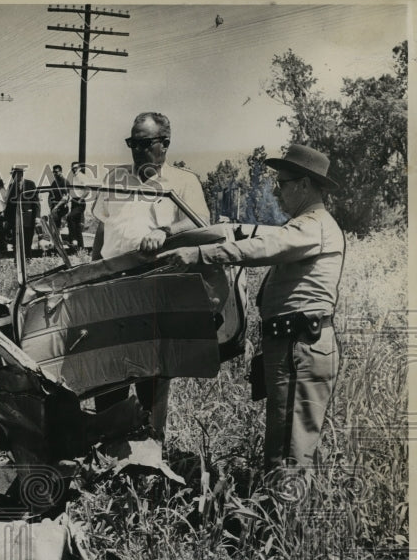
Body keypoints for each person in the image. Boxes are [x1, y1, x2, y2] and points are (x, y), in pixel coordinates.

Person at [160, 143, 344, 471]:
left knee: (289, 452)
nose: (277, 192)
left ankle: (283, 518)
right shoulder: (309, 224)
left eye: (282, 184)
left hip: (297, 347)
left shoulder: (312, 224)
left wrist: (198, 255)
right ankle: (285, 514)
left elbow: (265, 246)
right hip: (295, 345)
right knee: (288, 441)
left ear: (303, 184)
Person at [90, 112, 211, 437]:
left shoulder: (183, 182)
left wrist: (164, 230)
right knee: (106, 369)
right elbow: (102, 233)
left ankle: (150, 449)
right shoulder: (113, 181)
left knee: (151, 372)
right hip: (111, 289)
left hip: (154, 291)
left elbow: (200, 222)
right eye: (133, 143)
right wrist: (90, 275)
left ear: (165, 144)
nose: (137, 151)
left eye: (145, 144)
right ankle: (108, 445)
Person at [4, 167, 39, 256]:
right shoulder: (11, 186)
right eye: (12, 175)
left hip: (28, 218)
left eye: (15, 174)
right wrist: (7, 219)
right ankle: (18, 261)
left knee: (27, 241)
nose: (13, 177)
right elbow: (9, 204)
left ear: (21, 174)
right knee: (16, 242)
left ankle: (28, 259)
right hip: (16, 219)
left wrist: (37, 216)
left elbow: (36, 202)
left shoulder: (30, 184)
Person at [66, 162, 89, 254]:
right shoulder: (73, 178)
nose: (74, 170)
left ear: (79, 168)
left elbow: (87, 190)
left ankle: (73, 240)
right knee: (77, 227)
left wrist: (81, 199)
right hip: (74, 202)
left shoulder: (82, 177)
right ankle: (80, 249)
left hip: (80, 202)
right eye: (72, 168)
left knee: (70, 217)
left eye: (75, 168)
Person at [47, 164, 69, 235]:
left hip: (61, 208)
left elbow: (65, 198)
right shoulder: (54, 183)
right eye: (54, 172)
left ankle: (59, 242)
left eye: (56, 172)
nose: (55, 174)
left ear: (60, 172)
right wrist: (51, 206)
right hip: (54, 207)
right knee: (52, 227)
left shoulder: (65, 182)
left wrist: (56, 207)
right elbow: (50, 195)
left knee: (58, 228)